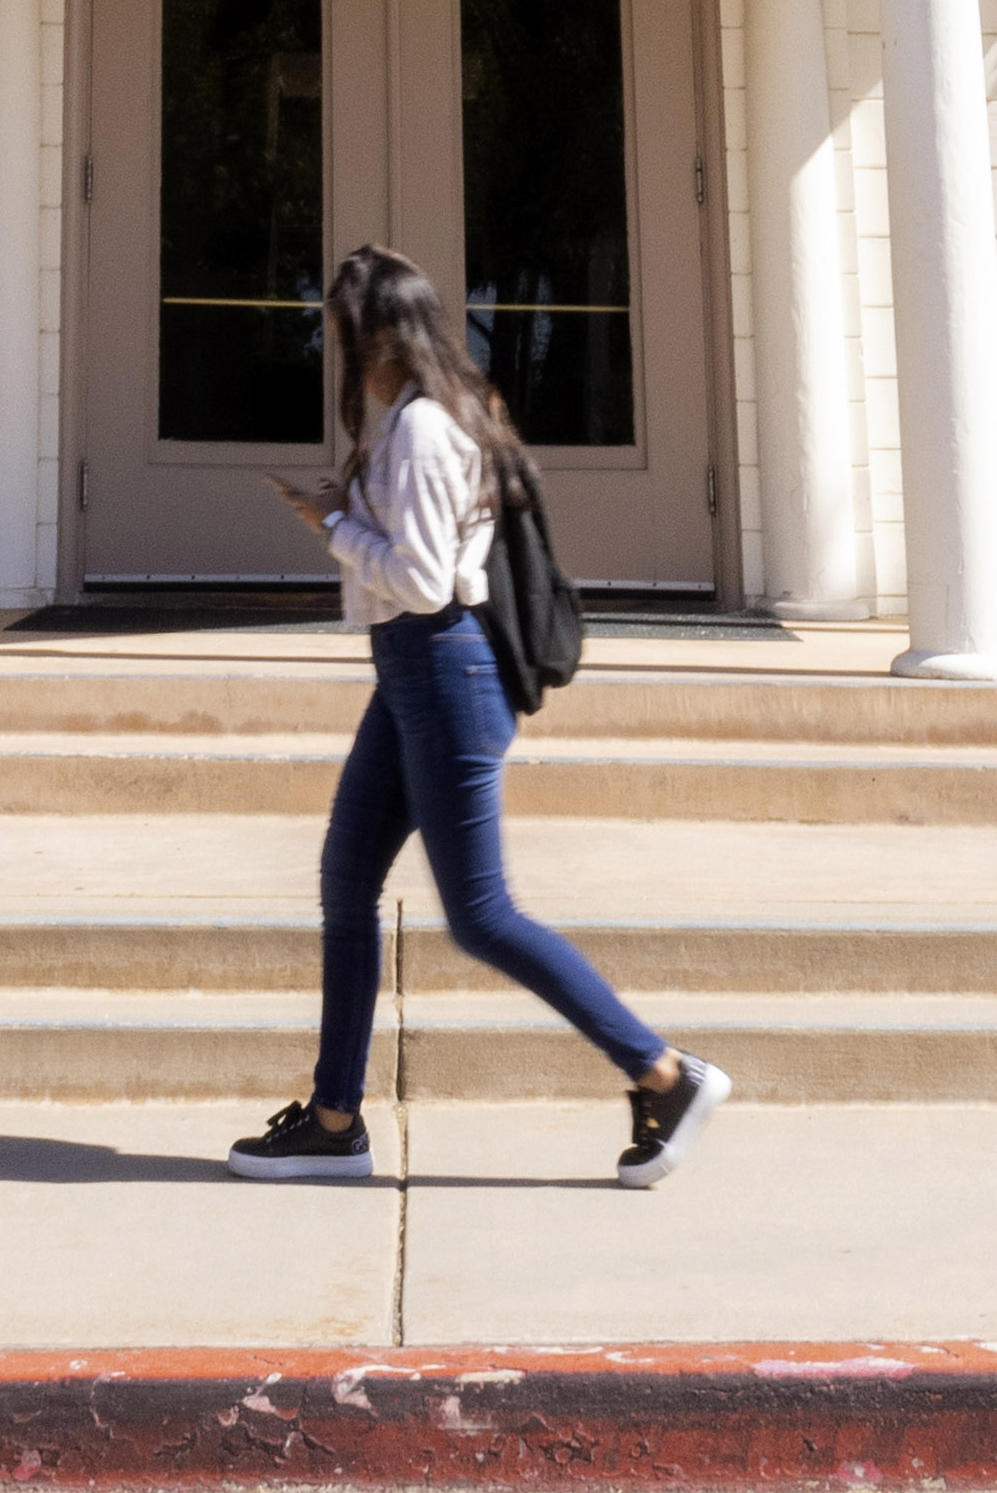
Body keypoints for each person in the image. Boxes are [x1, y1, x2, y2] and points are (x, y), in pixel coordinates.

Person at [228, 242, 726, 1187]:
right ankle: (334, 1120)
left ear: (378, 336)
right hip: (413, 673)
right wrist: (348, 513)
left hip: (442, 670)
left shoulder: (423, 429)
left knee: (482, 915)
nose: (338, 354)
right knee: (346, 881)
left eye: (342, 332)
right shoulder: (427, 418)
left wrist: (331, 526)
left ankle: (665, 1073)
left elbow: (421, 581)